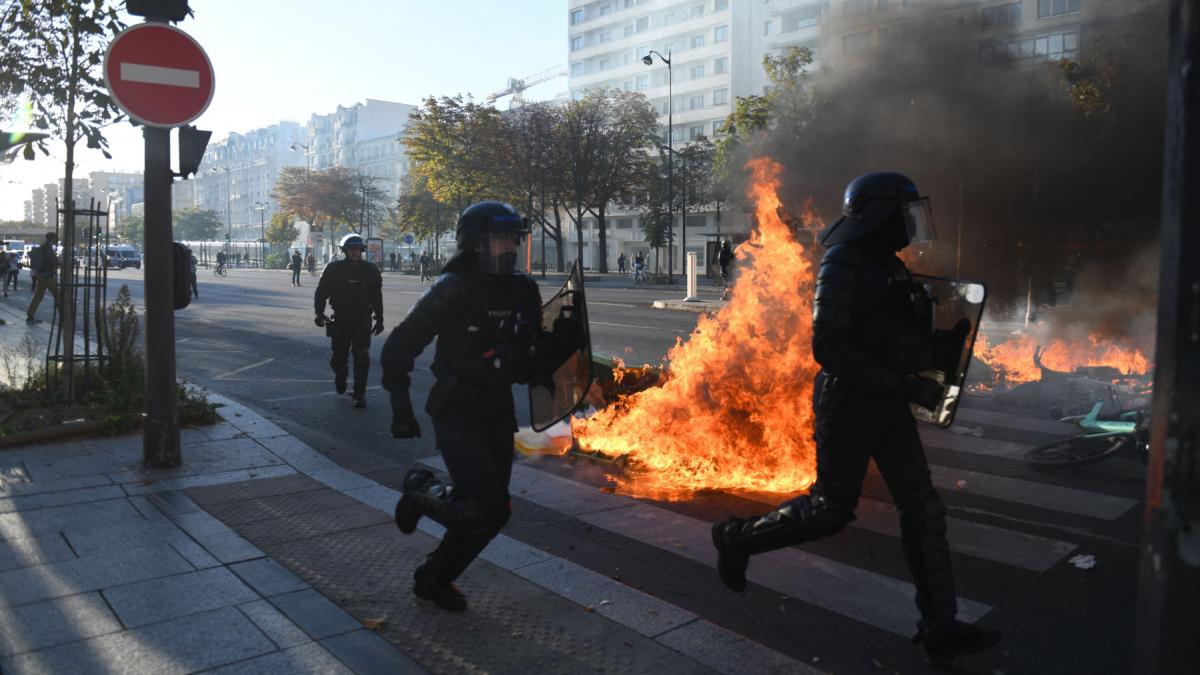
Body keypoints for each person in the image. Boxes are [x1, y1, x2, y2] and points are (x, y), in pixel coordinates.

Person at [710, 172, 1000, 665]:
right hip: (849, 401)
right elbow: (829, 346)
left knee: (923, 508)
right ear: (879, 215)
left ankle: (940, 626)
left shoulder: (888, 266)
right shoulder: (843, 262)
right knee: (831, 509)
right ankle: (737, 539)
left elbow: (892, 335)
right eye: (903, 214)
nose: (910, 226)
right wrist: (902, 384)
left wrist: (942, 347)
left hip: (886, 400)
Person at [383, 201, 583, 612]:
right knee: (479, 506)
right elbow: (399, 348)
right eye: (500, 238)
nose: (509, 246)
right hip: (457, 408)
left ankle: (434, 578)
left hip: (497, 411)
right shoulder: (453, 287)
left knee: (495, 512)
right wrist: (400, 407)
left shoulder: (523, 289)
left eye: (513, 238)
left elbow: (530, 364)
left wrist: (562, 341)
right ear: (474, 244)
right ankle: (419, 489)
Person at [314, 234, 384, 408]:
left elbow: (377, 297)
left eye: (357, 249)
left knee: (362, 357)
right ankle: (341, 375)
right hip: (340, 320)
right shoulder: (333, 269)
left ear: (361, 251)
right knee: (338, 358)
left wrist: (380, 318)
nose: (354, 252)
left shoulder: (370, 270)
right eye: (351, 249)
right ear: (344, 251)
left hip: (362, 319)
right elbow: (321, 293)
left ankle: (359, 394)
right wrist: (319, 313)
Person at [25, 232, 60, 324]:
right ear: (53, 239)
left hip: (41, 275)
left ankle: (30, 316)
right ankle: (63, 314)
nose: (57, 240)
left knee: (38, 296)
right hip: (47, 275)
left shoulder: (43, 247)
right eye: (56, 238)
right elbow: (49, 261)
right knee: (57, 294)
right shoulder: (48, 248)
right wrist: (57, 262)